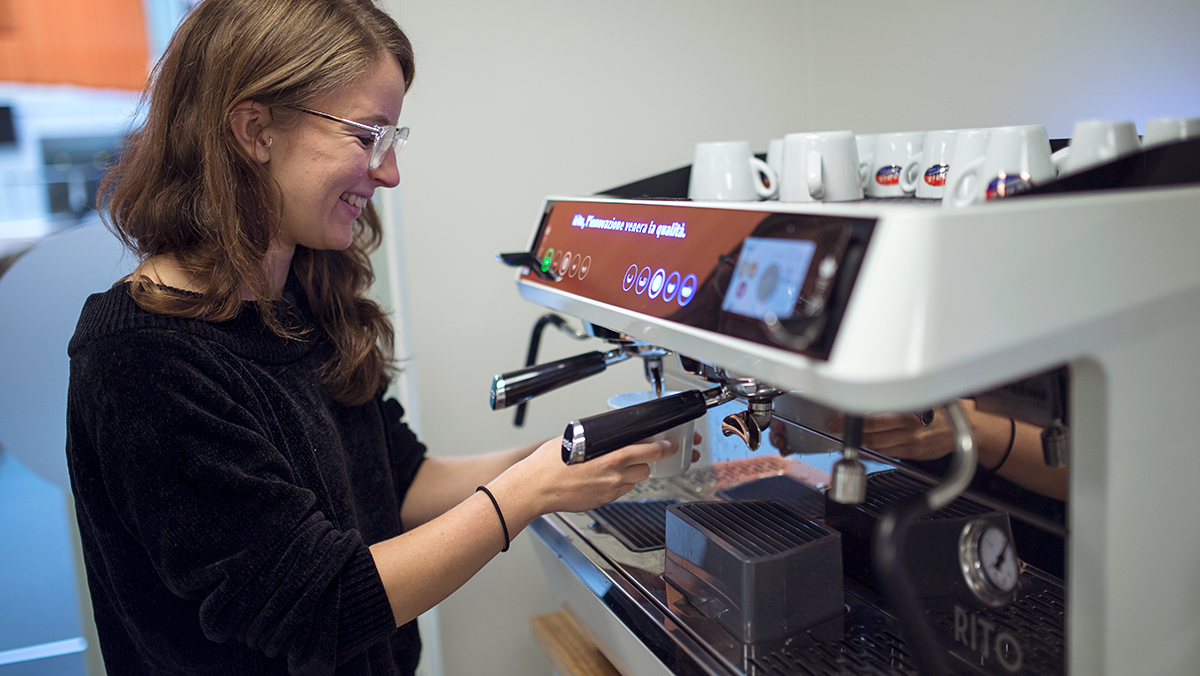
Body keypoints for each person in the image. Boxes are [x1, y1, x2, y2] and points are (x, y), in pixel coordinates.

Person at [65, 1, 683, 674]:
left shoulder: (296, 295)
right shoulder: (141, 358)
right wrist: (529, 492)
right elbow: (318, 604)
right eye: (368, 137)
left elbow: (399, 482)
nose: (389, 174)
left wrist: (561, 458)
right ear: (255, 129)